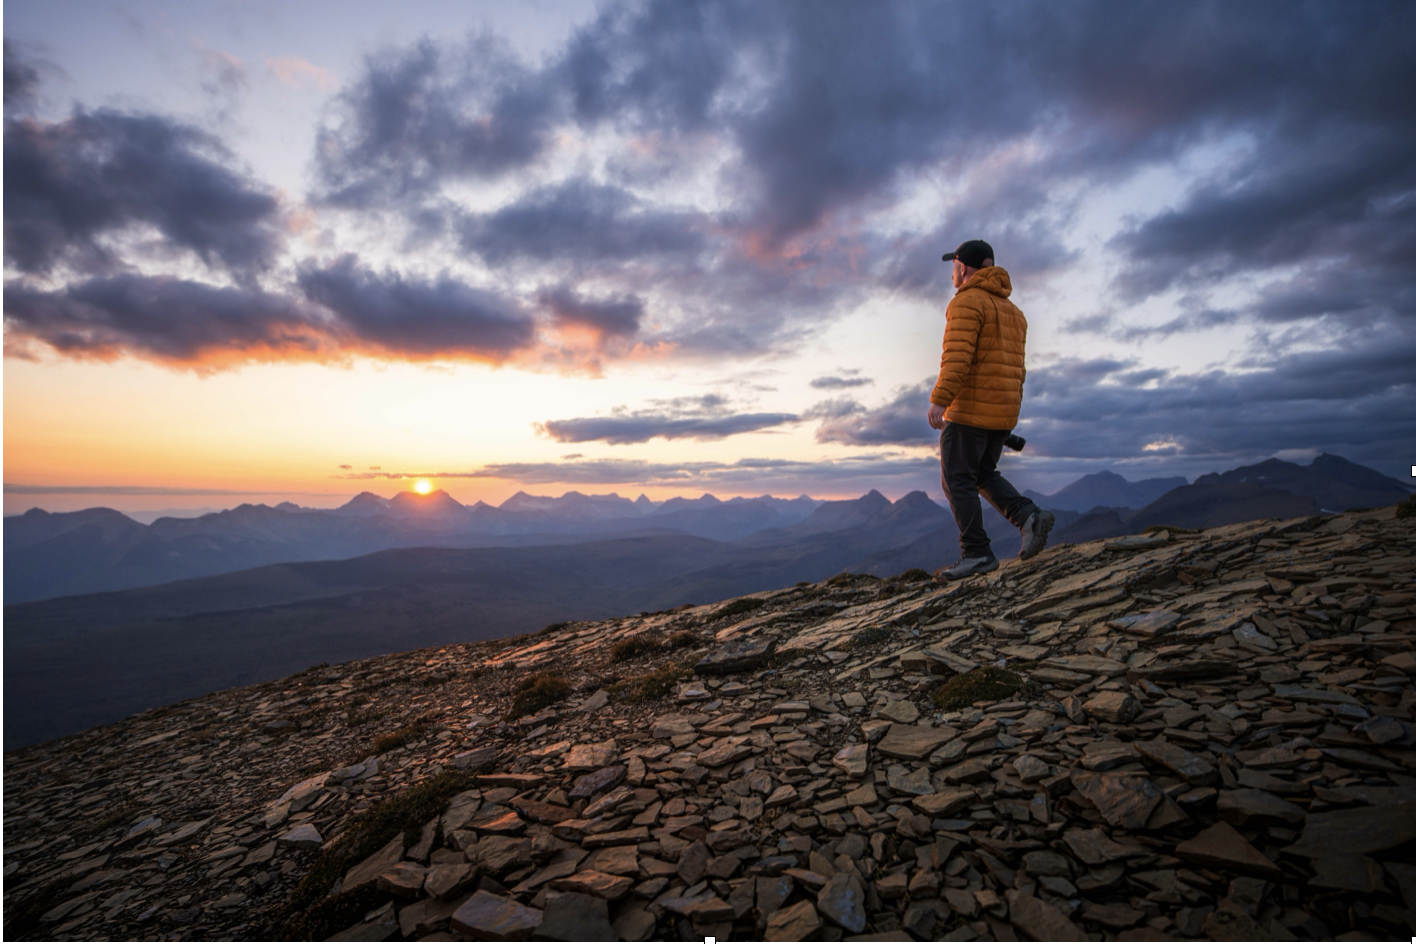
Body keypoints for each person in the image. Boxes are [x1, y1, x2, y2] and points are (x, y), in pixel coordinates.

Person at [928, 239, 1054, 579]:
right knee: (981, 474)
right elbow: (1017, 370)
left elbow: (958, 356)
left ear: (962, 268)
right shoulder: (1015, 313)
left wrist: (941, 398)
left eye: (953, 266)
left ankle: (977, 553)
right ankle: (1028, 516)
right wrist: (1007, 413)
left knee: (957, 480)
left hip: (969, 410)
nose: (952, 273)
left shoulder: (967, 302)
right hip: (1001, 412)